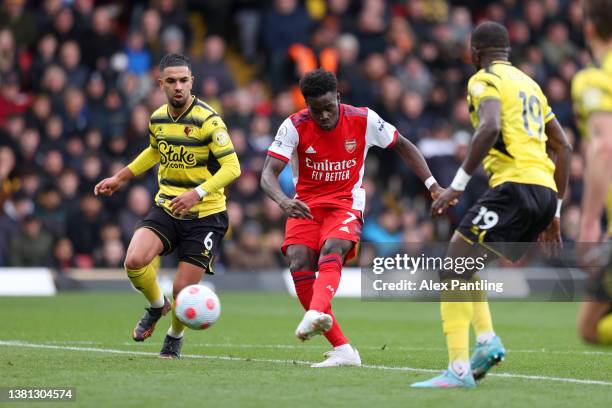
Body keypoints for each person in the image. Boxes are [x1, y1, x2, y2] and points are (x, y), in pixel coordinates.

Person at [412, 22, 571, 388]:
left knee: (452, 266)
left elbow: (489, 127)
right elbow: (563, 146)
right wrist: (556, 213)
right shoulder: (531, 84)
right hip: (544, 192)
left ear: (475, 52)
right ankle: (486, 342)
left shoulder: (484, 79)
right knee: (465, 263)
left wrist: (456, 186)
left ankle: (458, 368)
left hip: (513, 187)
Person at [260, 69, 443, 367]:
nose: (323, 116)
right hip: (305, 205)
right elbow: (267, 173)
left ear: (339, 98)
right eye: (315, 110)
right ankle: (344, 350)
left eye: (329, 108)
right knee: (298, 261)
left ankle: (314, 312)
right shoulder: (293, 126)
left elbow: (404, 146)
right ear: (306, 104)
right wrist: (282, 201)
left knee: (333, 249)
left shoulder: (364, 119)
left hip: (345, 203)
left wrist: (433, 186)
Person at [94, 53, 241, 359]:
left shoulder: (209, 120)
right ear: (161, 84)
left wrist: (197, 194)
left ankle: (174, 336)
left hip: (206, 215)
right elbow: (153, 150)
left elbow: (233, 168)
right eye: (171, 81)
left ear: (192, 82)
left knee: (183, 291)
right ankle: (157, 306)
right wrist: (120, 177)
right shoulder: (158, 118)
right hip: (168, 206)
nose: (178, 87)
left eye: (184, 80)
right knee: (133, 260)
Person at [571, 0, 612, 345]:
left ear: (589, 29)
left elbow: (603, 146)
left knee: (590, 327)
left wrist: (588, 223)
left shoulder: (594, 78)